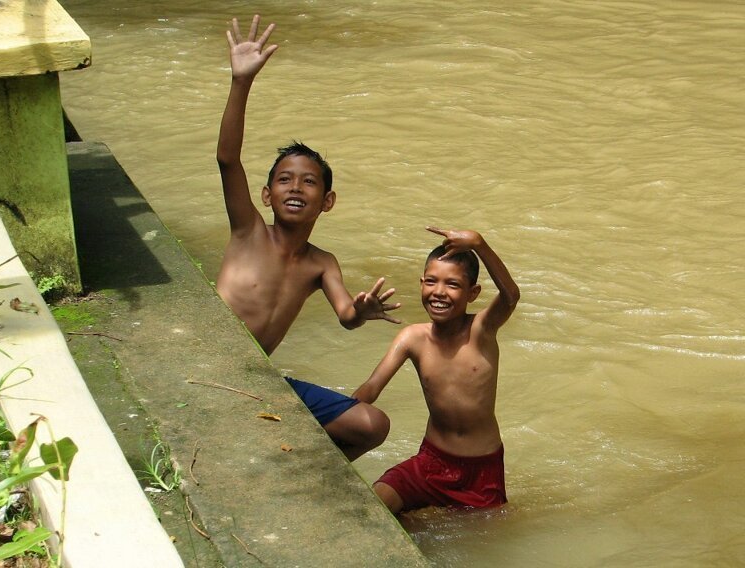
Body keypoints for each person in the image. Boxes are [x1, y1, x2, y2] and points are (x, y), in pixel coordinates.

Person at [215, 15, 401, 461]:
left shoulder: (322, 263)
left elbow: (346, 317)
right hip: (214, 368)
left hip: (258, 378)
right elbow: (227, 159)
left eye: (309, 182)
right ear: (266, 194)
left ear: (328, 201)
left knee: (372, 424)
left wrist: (361, 310)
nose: (296, 188)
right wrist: (241, 82)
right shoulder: (248, 231)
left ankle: (302, 469)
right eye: (284, 180)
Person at [352, 226, 520, 513]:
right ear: (421, 284)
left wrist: (479, 244)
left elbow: (510, 296)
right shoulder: (412, 338)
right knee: (377, 503)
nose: (438, 292)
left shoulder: (481, 330)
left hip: (482, 468)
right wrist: (332, 421)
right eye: (431, 281)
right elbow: (371, 388)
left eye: (452, 285)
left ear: (473, 293)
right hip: (431, 462)